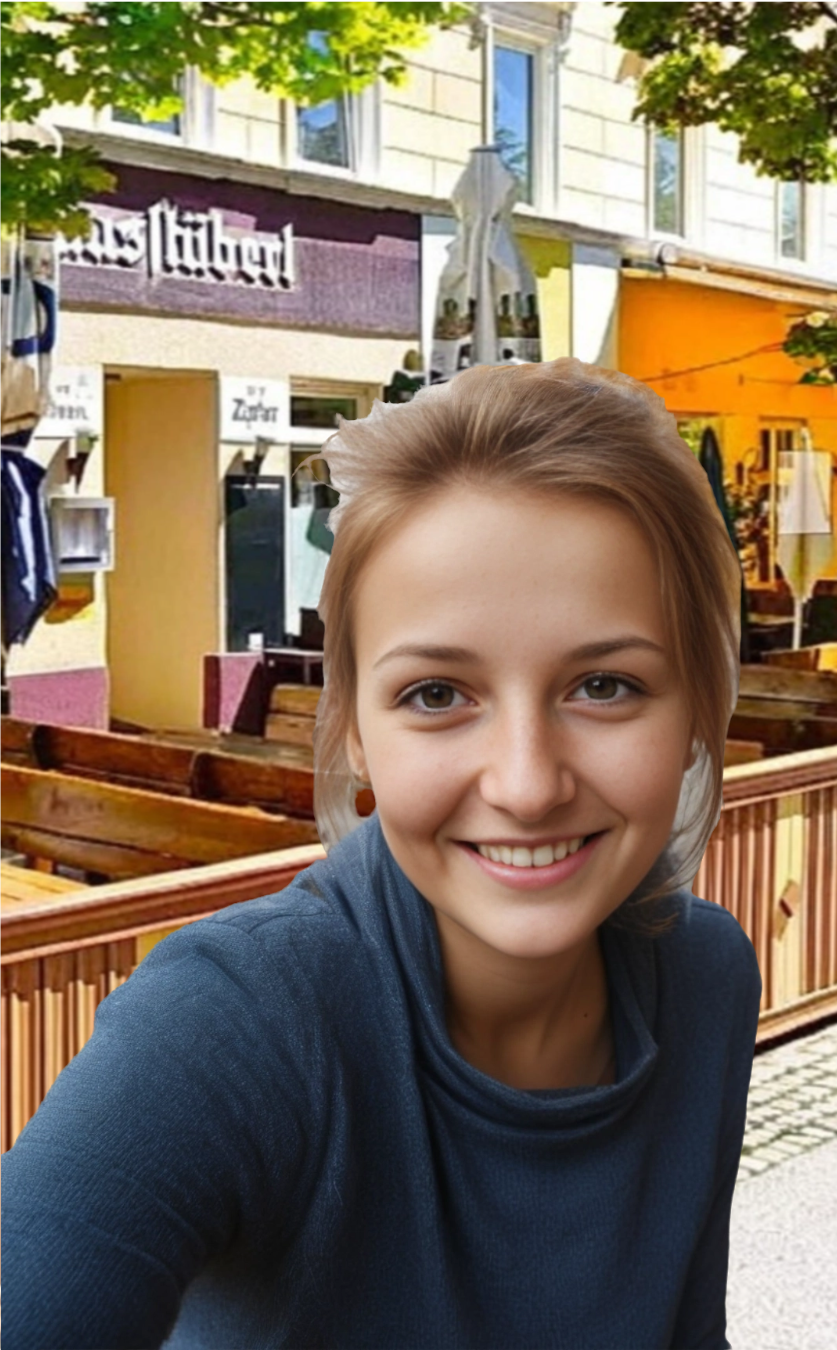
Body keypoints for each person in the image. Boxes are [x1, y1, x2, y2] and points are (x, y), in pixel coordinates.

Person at [2, 358, 762, 1349]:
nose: (526, 785)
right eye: (438, 695)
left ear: (703, 706)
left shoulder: (703, 976)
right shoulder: (238, 1017)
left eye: (606, 686)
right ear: (355, 727)